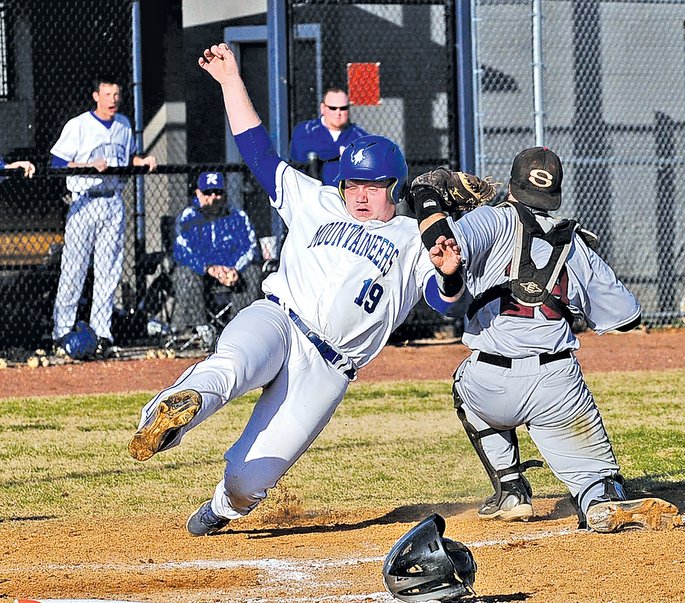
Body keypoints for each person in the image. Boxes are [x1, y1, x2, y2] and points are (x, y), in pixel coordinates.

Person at [127, 43, 462, 536]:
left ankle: (221, 506)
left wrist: (451, 271)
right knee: (232, 366)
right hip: (279, 319)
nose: (359, 196)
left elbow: (444, 301)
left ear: (395, 187)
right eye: (352, 184)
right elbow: (258, 150)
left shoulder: (414, 240)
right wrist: (229, 81)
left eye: (372, 186)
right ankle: (167, 413)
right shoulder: (317, 199)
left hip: (328, 368)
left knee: (249, 477)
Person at [408, 147, 682, 532]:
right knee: (596, 481)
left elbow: (441, 243)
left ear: (513, 185)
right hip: (557, 385)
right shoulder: (574, 242)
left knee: (461, 383)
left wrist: (426, 191)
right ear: (554, 194)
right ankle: (598, 497)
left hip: (488, 382)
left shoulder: (492, 219)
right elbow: (627, 317)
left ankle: (510, 490)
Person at [50, 76, 157, 357]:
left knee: (109, 272)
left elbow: (127, 158)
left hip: (113, 202)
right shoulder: (79, 125)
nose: (113, 99)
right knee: (74, 269)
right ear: (96, 96)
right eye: (108, 94)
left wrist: (142, 161)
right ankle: (61, 332)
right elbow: (57, 162)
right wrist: (88, 165)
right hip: (84, 200)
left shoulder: (123, 124)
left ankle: (102, 333)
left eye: (117, 94)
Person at [170, 170, 262, 346]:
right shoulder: (188, 216)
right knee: (184, 272)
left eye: (218, 192)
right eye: (207, 193)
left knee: (253, 271)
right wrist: (209, 268)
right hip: (202, 273)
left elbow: (251, 248)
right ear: (198, 193)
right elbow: (182, 250)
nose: (214, 197)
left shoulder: (237, 216)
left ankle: (239, 329)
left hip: (230, 273)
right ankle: (200, 329)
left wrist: (234, 269)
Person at [289, 87, 370, 186]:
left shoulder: (360, 137)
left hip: (345, 196)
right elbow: (300, 162)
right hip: (312, 194)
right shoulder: (306, 131)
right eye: (333, 108)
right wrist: (341, 153)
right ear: (323, 108)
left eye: (343, 108)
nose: (338, 113)